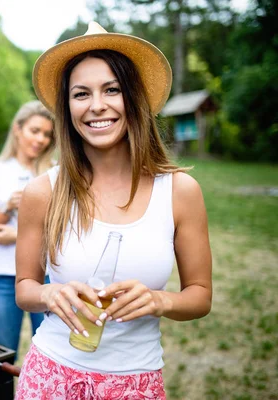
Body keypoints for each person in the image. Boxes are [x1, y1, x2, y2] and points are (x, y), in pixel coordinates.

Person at [15, 22, 212, 398]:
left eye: (112, 89)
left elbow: (200, 294)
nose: (96, 106)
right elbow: (25, 287)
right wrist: (48, 295)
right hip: (51, 377)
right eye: (80, 94)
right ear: (66, 107)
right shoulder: (43, 192)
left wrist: (161, 300)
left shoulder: (180, 192)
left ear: (132, 98)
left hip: (136, 383)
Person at [0, 100, 55, 361]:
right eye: (35, 131)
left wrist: (16, 236)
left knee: (48, 354)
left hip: (44, 278)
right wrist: (8, 208)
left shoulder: (54, 171)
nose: (41, 139)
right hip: (3, 278)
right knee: (3, 354)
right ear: (17, 129)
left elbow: (63, 227)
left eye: (46, 134)